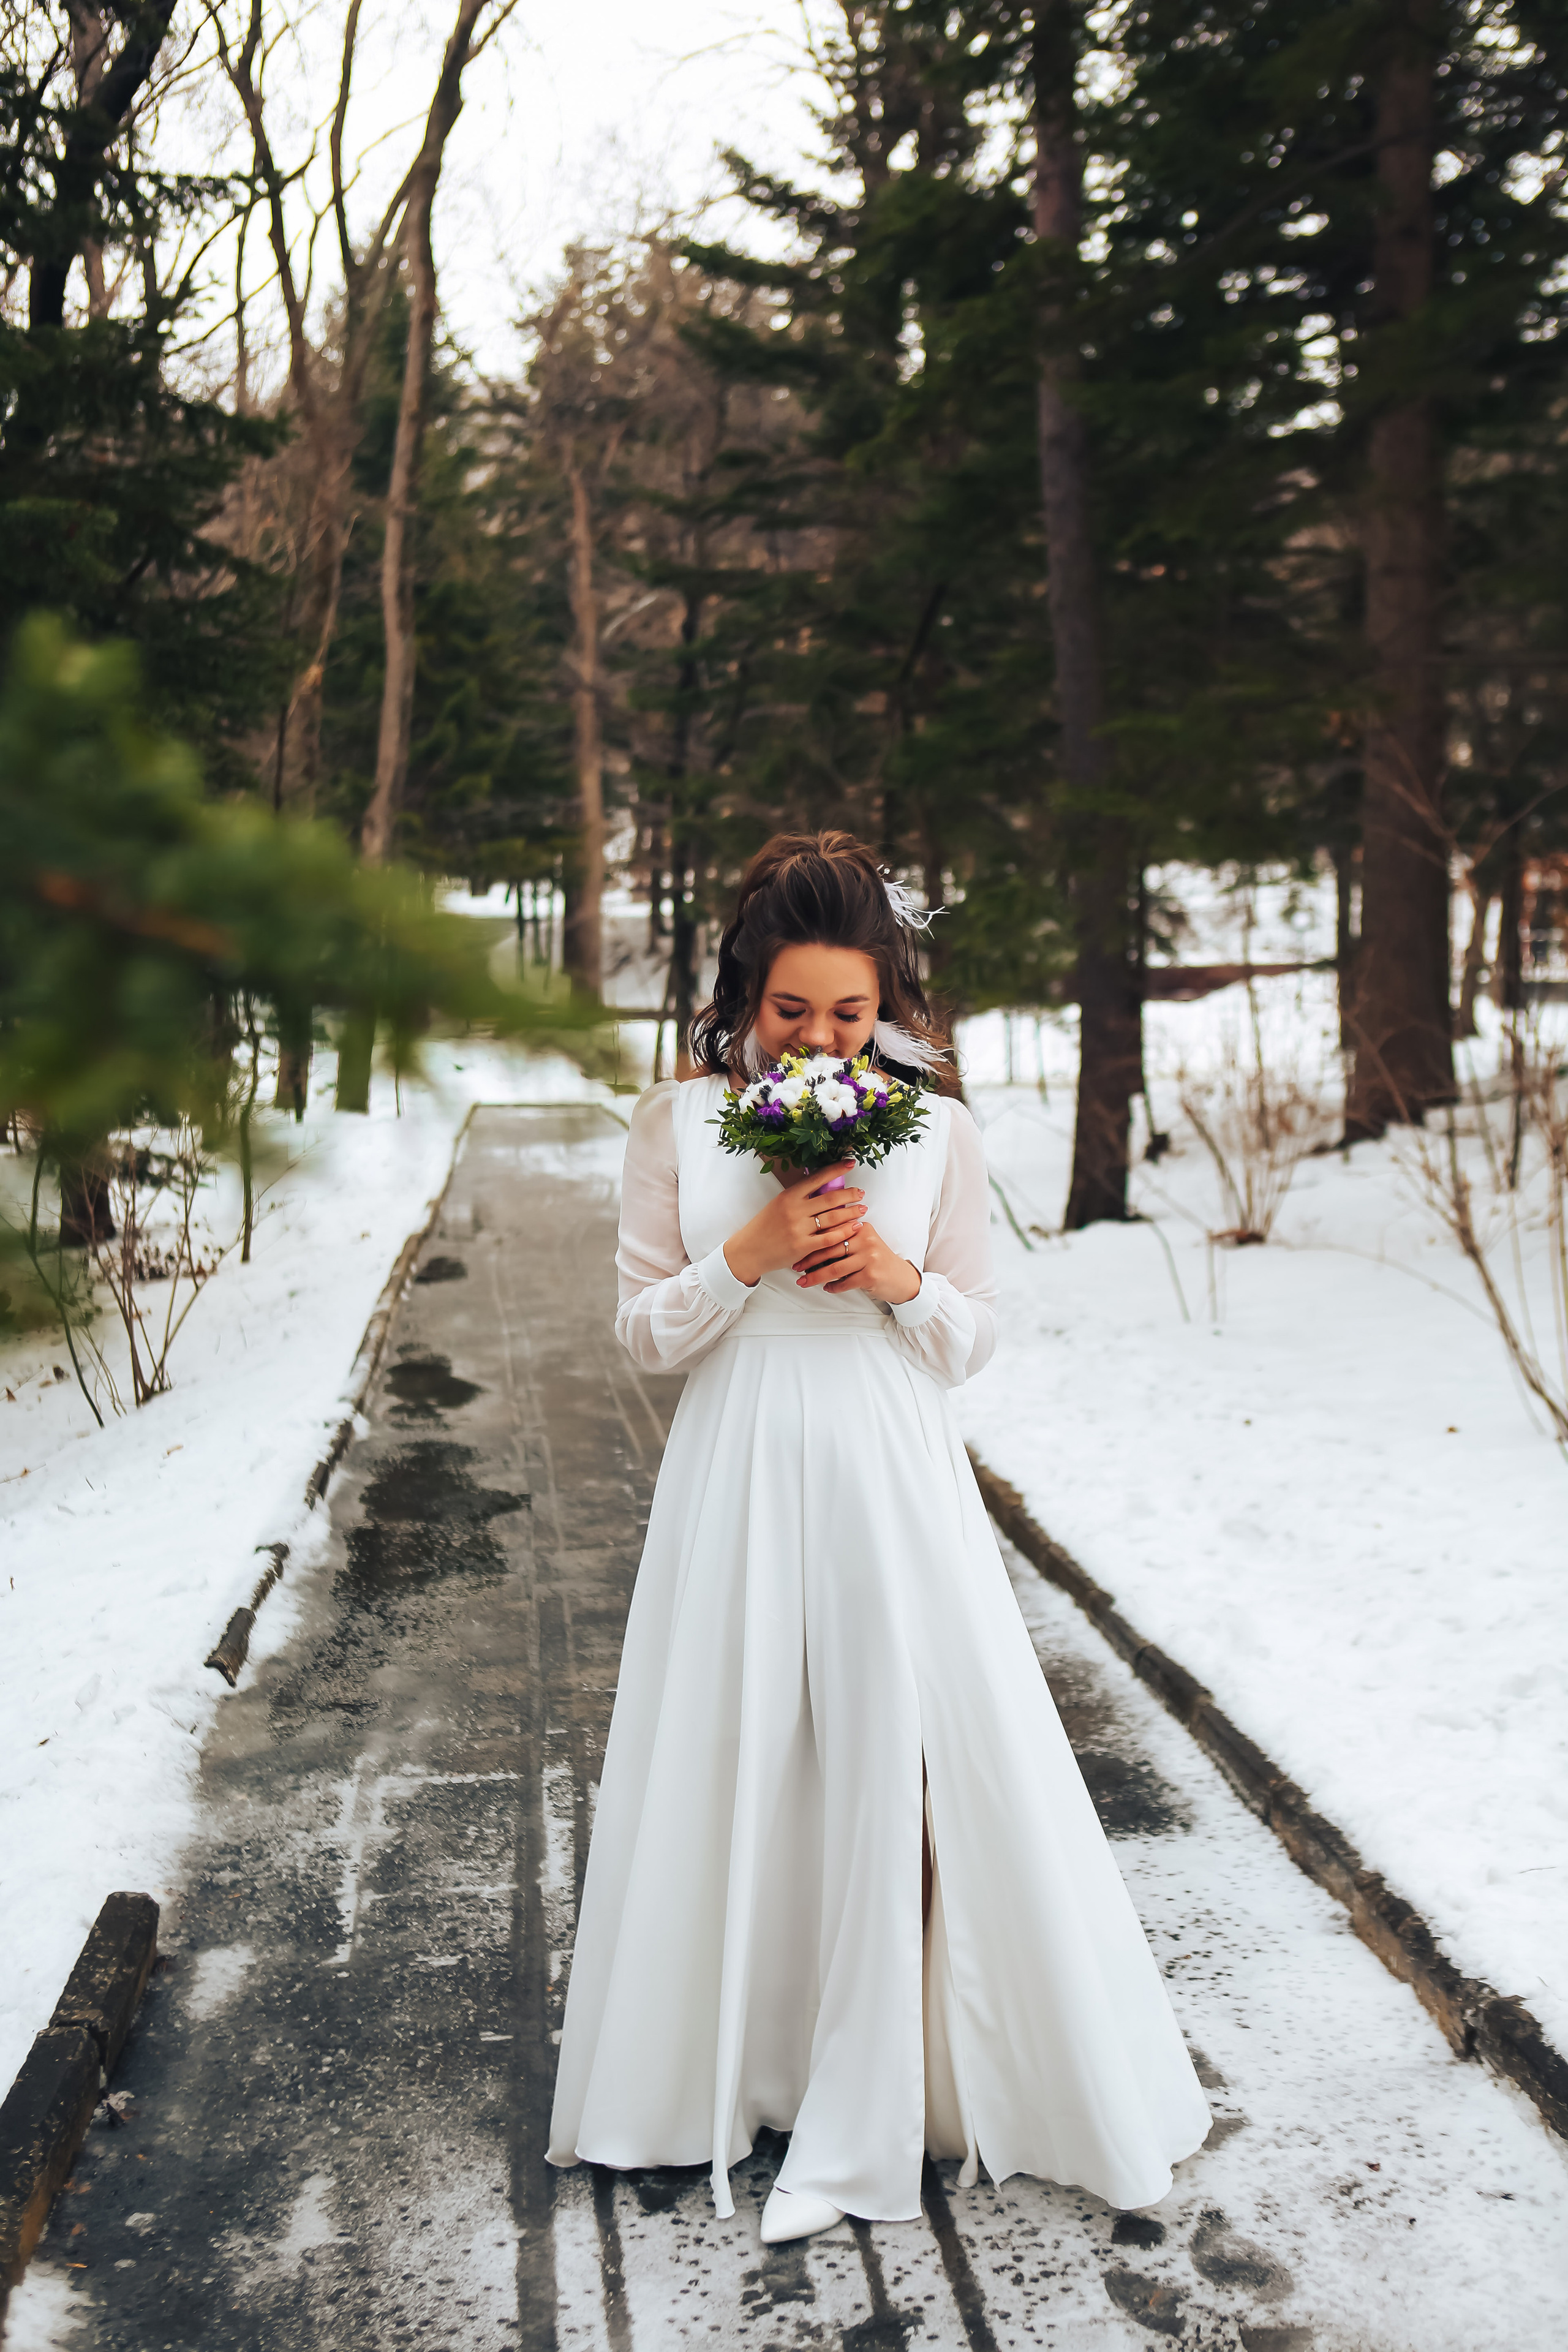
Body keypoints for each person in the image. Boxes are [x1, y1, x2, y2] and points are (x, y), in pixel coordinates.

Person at [547, 831, 1211, 2245]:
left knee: (902, 1754)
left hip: (890, 1475)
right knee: (738, 1750)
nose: (818, 1036)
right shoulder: (672, 1125)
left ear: (885, 1005)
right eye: (791, 1009)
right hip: (735, 1468)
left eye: (849, 1013)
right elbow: (640, 1332)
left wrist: (900, 1280)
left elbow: (969, 1338)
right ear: (740, 992)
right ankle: (737, 2063)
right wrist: (752, 1251)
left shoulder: (939, 1131)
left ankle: (926, 2066)